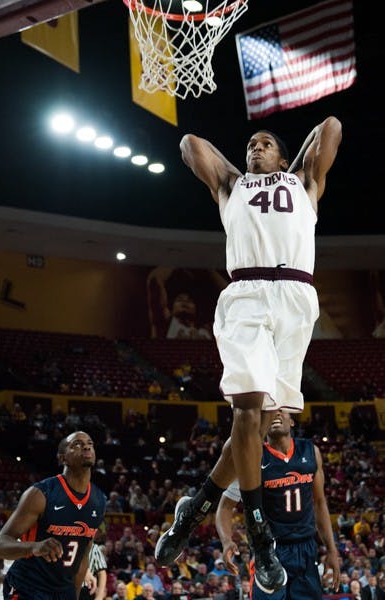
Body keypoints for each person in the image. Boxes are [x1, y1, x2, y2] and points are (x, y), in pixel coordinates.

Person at [154, 116, 342, 595]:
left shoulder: (303, 182)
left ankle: (198, 502)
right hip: (248, 292)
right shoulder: (233, 186)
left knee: (258, 420)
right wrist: (245, 170)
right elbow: (191, 143)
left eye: (265, 144)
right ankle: (259, 529)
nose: (256, 148)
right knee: (249, 404)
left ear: (283, 157)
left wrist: (292, 164)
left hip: (297, 298)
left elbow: (332, 127)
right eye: (251, 144)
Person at [215, 410, 340, 599]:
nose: (277, 414)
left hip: (305, 549)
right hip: (268, 550)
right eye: (271, 411)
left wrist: (331, 550)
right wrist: (226, 541)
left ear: (292, 421)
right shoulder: (252, 458)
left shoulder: (310, 451)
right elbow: (225, 507)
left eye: (282, 410)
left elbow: (320, 503)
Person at [0, 430, 107, 600]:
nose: (86, 446)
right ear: (63, 458)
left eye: (90, 443)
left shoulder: (99, 500)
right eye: (77, 444)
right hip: (28, 587)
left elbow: (83, 555)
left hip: (63, 591)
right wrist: (33, 547)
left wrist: (73, 595)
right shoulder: (40, 494)